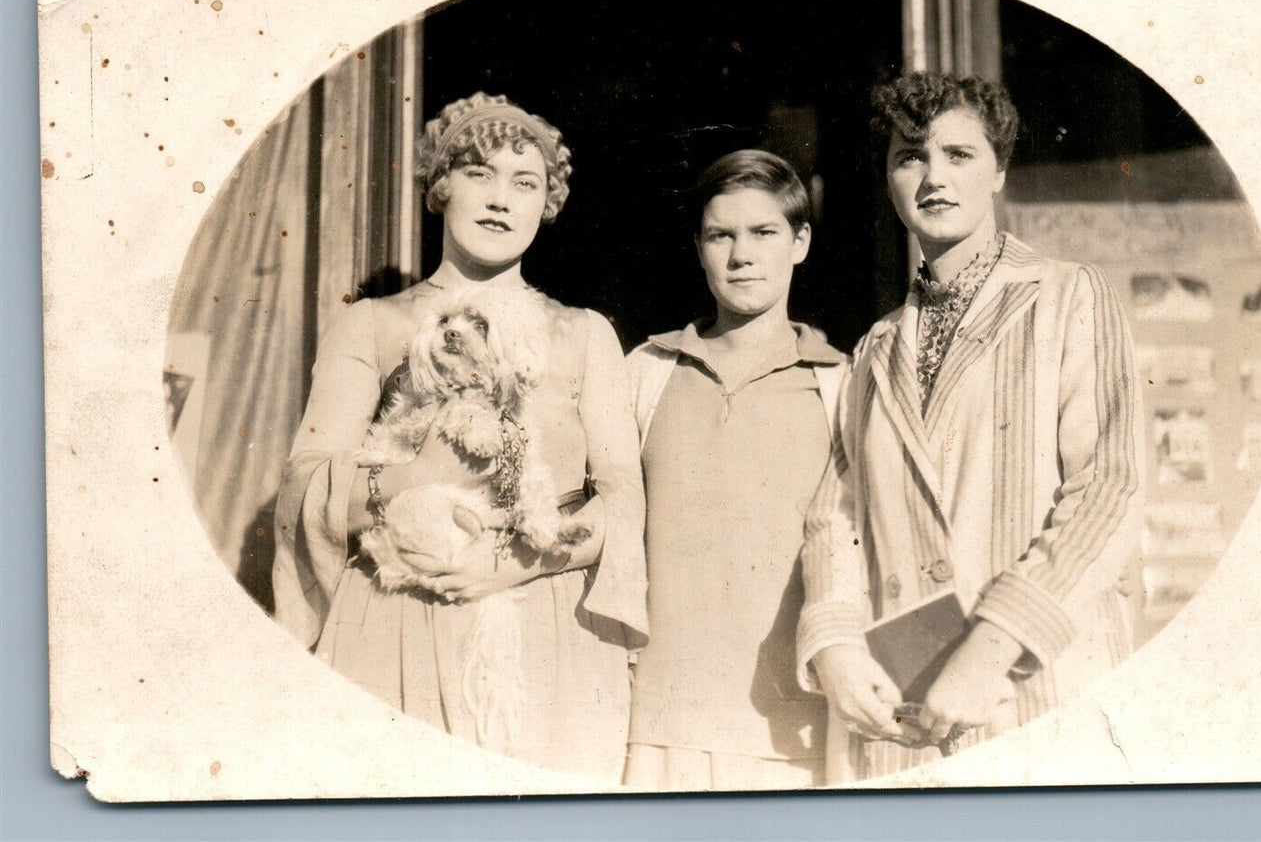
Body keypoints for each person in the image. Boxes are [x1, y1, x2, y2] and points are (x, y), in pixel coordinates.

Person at [271, 91, 647, 783]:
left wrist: (509, 566)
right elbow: (307, 484)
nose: (500, 198)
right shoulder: (375, 324)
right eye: (479, 173)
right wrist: (414, 477)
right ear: (442, 186)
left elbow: (622, 500)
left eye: (524, 182)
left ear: (548, 203)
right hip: (399, 618)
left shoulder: (584, 334)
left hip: (546, 624)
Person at [796, 73, 1144, 782]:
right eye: (909, 157)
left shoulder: (1067, 294)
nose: (932, 177)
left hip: (1040, 694)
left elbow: (1108, 489)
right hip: (907, 721)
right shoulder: (873, 350)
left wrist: (989, 649)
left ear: (999, 171)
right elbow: (834, 521)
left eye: (958, 155)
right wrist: (835, 649)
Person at [622, 150, 846, 791]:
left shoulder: (840, 383)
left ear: (800, 242)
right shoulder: (648, 369)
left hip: (790, 732)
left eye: (763, 233)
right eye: (721, 235)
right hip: (659, 722)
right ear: (698, 247)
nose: (741, 255)